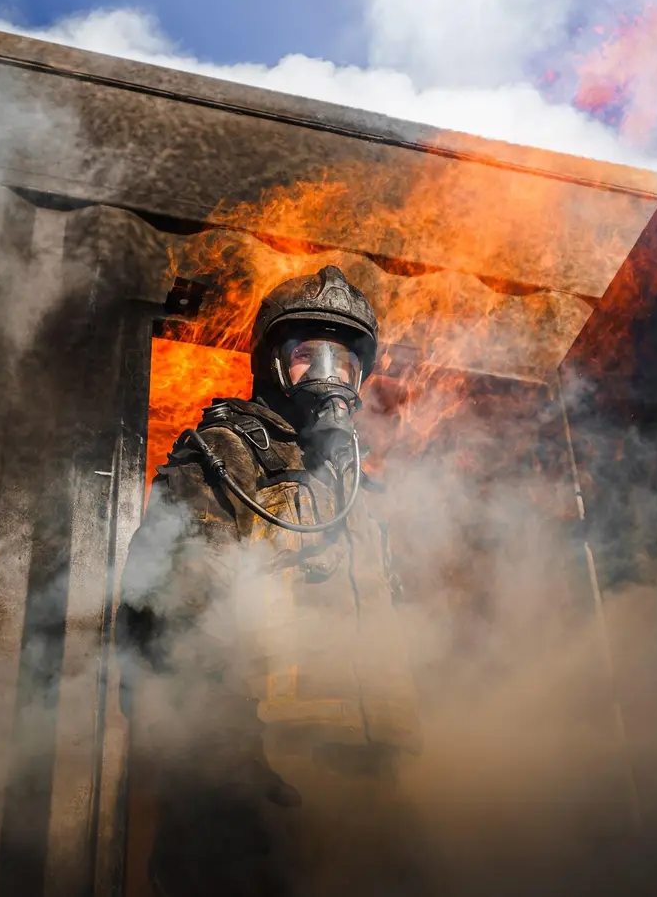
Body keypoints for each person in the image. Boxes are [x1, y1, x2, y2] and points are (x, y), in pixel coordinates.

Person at [123, 265, 424, 897]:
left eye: (343, 361)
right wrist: (228, 755)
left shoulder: (357, 488)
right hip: (269, 765)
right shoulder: (225, 454)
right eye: (307, 355)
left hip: (369, 771)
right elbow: (180, 606)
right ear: (272, 364)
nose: (327, 376)